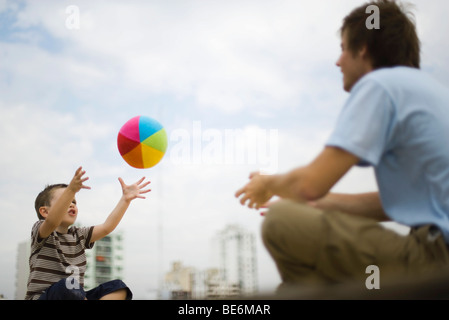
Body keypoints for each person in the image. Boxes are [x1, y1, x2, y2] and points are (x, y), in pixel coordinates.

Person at [235, 0, 449, 291]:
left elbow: (310, 183)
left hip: (435, 257)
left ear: (362, 49)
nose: (338, 62)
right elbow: (390, 206)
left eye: (343, 48)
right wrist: (310, 206)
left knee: (282, 224)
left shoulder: (381, 85)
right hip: (436, 247)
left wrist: (267, 184)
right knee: (296, 220)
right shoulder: (431, 92)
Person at [25, 166, 151, 300]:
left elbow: (106, 227)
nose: (72, 204)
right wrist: (71, 190)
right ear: (45, 212)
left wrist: (125, 200)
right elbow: (52, 222)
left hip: (76, 294)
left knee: (118, 287)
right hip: (44, 297)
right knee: (69, 284)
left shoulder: (79, 235)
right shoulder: (40, 230)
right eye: (66, 200)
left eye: (74, 201)